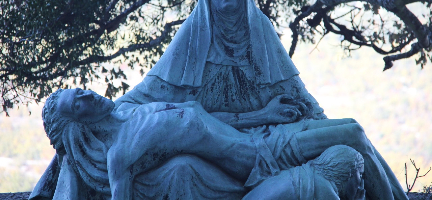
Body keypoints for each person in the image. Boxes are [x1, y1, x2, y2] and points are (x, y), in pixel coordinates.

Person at [115, 0, 408, 200]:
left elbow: (297, 92)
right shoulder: (191, 41)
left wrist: (318, 120)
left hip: (280, 134)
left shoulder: (260, 30)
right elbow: (144, 102)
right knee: (354, 134)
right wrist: (103, 114)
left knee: (350, 142)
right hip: (253, 148)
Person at [38, 88, 367, 200]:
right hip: (260, 162)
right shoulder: (120, 156)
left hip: (262, 135)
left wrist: (262, 113)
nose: (87, 95)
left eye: (79, 90)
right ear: (80, 127)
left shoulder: (131, 110)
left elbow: (203, 118)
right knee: (352, 135)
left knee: (353, 131)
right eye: (77, 104)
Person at [243, 145, 366, 200]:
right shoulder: (324, 191)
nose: (360, 181)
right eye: (359, 174)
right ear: (349, 172)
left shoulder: (305, 171)